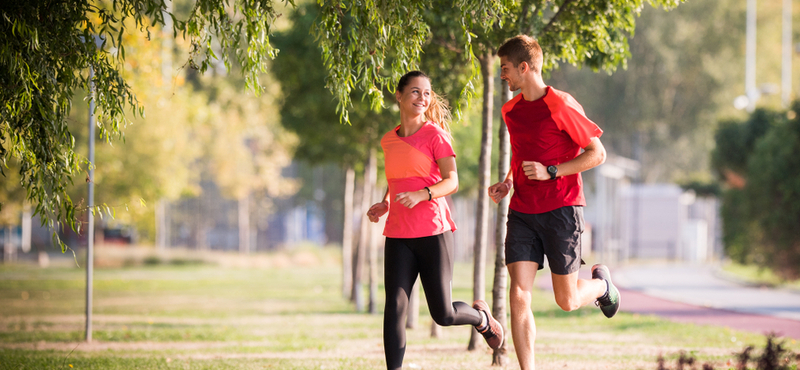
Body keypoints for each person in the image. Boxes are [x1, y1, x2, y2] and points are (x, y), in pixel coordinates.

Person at [488, 35, 621, 370]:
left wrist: (552, 171)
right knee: (518, 295)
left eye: (505, 69)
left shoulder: (561, 105)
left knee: (567, 300)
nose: (502, 75)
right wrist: (507, 181)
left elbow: (597, 153)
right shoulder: (510, 110)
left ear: (524, 67)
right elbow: (520, 152)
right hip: (522, 212)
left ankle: (602, 286)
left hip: (562, 209)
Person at [367, 70, 504, 370]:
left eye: (426, 93)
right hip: (399, 234)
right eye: (415, 92)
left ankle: (482, 319)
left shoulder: (435, 135)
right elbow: (397, 178)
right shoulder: (388, 140)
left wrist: (423, 194)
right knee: (395, 307)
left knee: (443, 314)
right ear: (399, 96)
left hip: (433, 232)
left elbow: (451, 181)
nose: (422, 98)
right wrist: (385, 203)